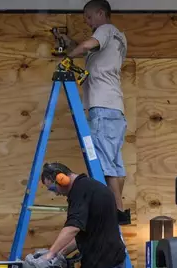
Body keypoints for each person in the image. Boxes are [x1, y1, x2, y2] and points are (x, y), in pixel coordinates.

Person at [55, 0, 131, 225]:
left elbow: (88, 45)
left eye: (89, 17)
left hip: (102, 108)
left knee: (104, 163)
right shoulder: (117, 38)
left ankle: (115, 211)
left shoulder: (105, 30)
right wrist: (70, 45)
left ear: (101, 13)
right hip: (114, 109)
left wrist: (68, 59)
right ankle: (119, 209)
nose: (87, 22)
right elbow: (88, 48)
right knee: (115, 164)